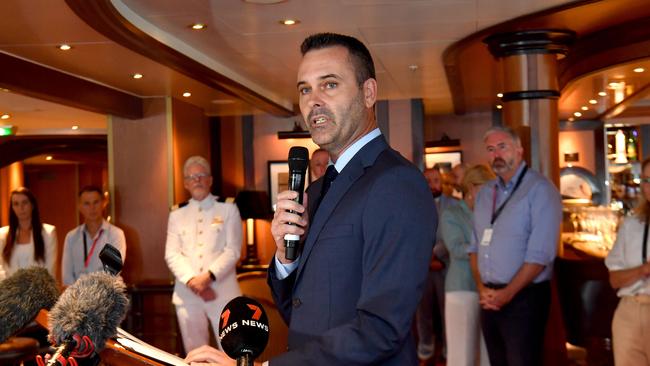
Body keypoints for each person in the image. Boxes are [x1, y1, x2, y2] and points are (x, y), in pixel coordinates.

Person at [186, 32, 436, 366]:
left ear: (369, 92)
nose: (313, 100)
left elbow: (381, 329)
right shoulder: (318, 189)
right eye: (305, 89)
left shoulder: (395, 182)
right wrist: (285, 256)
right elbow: (300, 311)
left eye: (329, 84)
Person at [468, 126, 561, 366]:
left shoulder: (540, 190)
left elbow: (540, 257)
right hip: (489, 297)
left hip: (524, 299)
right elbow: (475, 247)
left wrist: (507, 294)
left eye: (502, 147)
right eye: (490, 149)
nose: (496, 154)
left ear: (519, 151)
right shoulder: (486, 193)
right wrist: (482, 289)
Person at [165, 155, 242, 354]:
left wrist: (207, 278)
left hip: (222, 292)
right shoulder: (176, 214)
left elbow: (233, 250)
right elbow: (172, 253)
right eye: (192, 177)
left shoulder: (228, 208)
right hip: (187, 295)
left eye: (201, 175)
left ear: (210, 180)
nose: (197, 180)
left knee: (231, 351)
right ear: (185, 183)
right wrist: (193, 281)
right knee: (196, 353)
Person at [441, 165, 493, 366]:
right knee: (461, 355)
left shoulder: (490, 214)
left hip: (488, 290)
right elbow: (456, 249)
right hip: (461, 288)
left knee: (486, 354)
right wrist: (488, 248)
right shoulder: (452, 213)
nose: (490, 193)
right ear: (471, 188)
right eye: (486, 188)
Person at [605, 156, 650, 366]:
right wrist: (643, 270)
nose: (649, 186)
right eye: (646, 180)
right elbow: (614, 280)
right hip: (629, 312)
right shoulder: (632, 224)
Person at [416, 166, 457, 365]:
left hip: (446, 265)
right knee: (422, 312)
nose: (432, 185)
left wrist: (437, 254)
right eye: (428, 181)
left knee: (446, 311)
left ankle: (450, 350)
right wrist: (426, 256)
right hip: (422, 267)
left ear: (441, 182)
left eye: (435, 180)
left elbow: (454, 236)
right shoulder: (415, 204)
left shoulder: (454, 205)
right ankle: (425, 348)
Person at [62, 186, 126, 286]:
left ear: (104, 203)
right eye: (87, 204)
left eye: (96, 202)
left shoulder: (115, 234)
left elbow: (112, 271)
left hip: (108, 293)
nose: (92, 208)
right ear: (79, 206)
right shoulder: (71, 237)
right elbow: (67, 277)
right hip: (79, 295)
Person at [0, 187, 57, 280]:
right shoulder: (2, 234)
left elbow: (50, 271)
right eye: (16, 204)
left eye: (24, 202)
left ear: (32, 205)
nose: (21, 208)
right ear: (12, 208)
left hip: (39, 291)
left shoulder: (48, 233)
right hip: (8, 291)